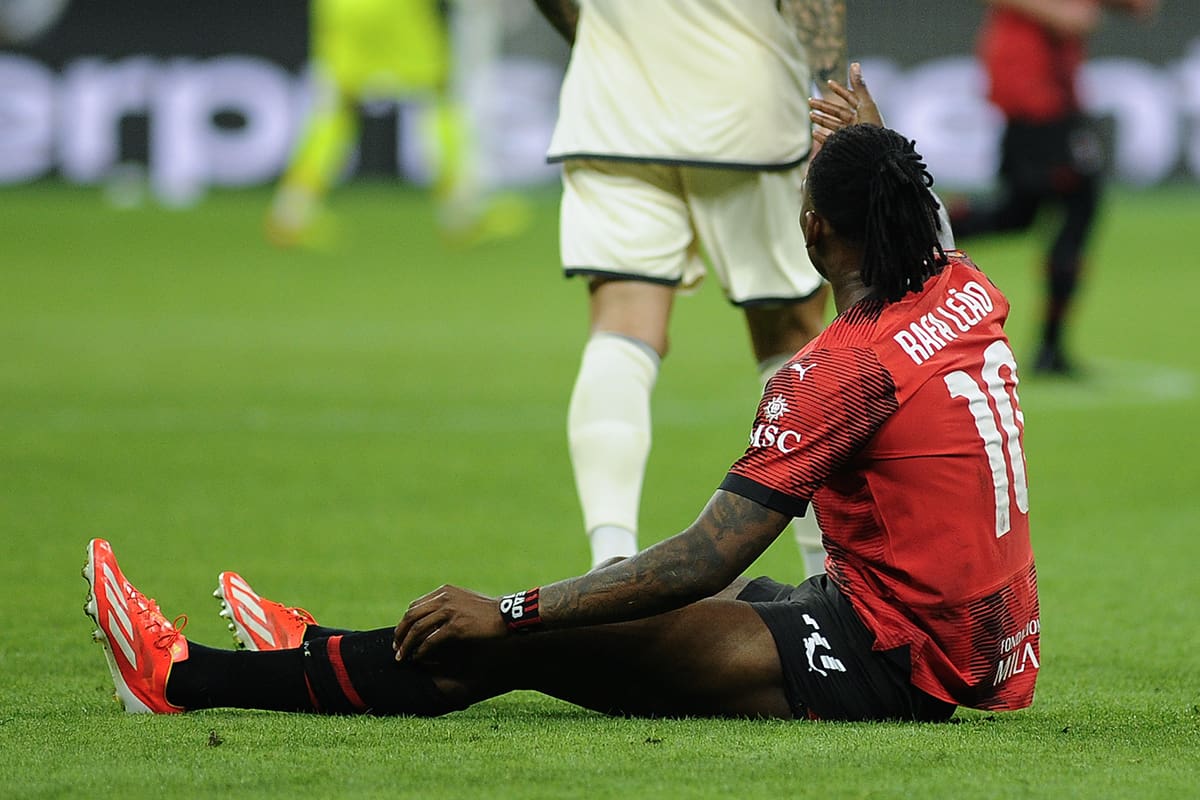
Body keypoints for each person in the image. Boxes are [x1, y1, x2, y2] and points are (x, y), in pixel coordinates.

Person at [83, 113, 1041, 723]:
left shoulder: (839, 370)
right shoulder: (964, 286)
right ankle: (312, 647)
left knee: (510, 646)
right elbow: (916, 214)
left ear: (814, 228)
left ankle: (179, 677)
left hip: (892, 660)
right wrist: (871, 134)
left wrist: (509, 609)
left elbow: (700, 557)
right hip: (967, 641)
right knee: (733, 606)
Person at [532, 0, 847, 574]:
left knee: (622, 325)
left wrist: (606, 37)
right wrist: (834, 100)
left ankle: (610, 562)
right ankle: (827, 574)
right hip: (747, 109)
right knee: (793, 340)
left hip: (614, 104)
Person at [949, 0, 1158, 375]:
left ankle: (924, 227)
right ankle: (1050, 347)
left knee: (1018, 214)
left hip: (1048, 101)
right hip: (1035, 101)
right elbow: (1075, 19)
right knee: (1077, 205)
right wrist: (1059, 13)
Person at [266, 0, 528, 249]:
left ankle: (292, 212)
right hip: (396, 9)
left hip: (340, 8)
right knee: (438, 94)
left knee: (337, 104)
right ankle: (460, 212)